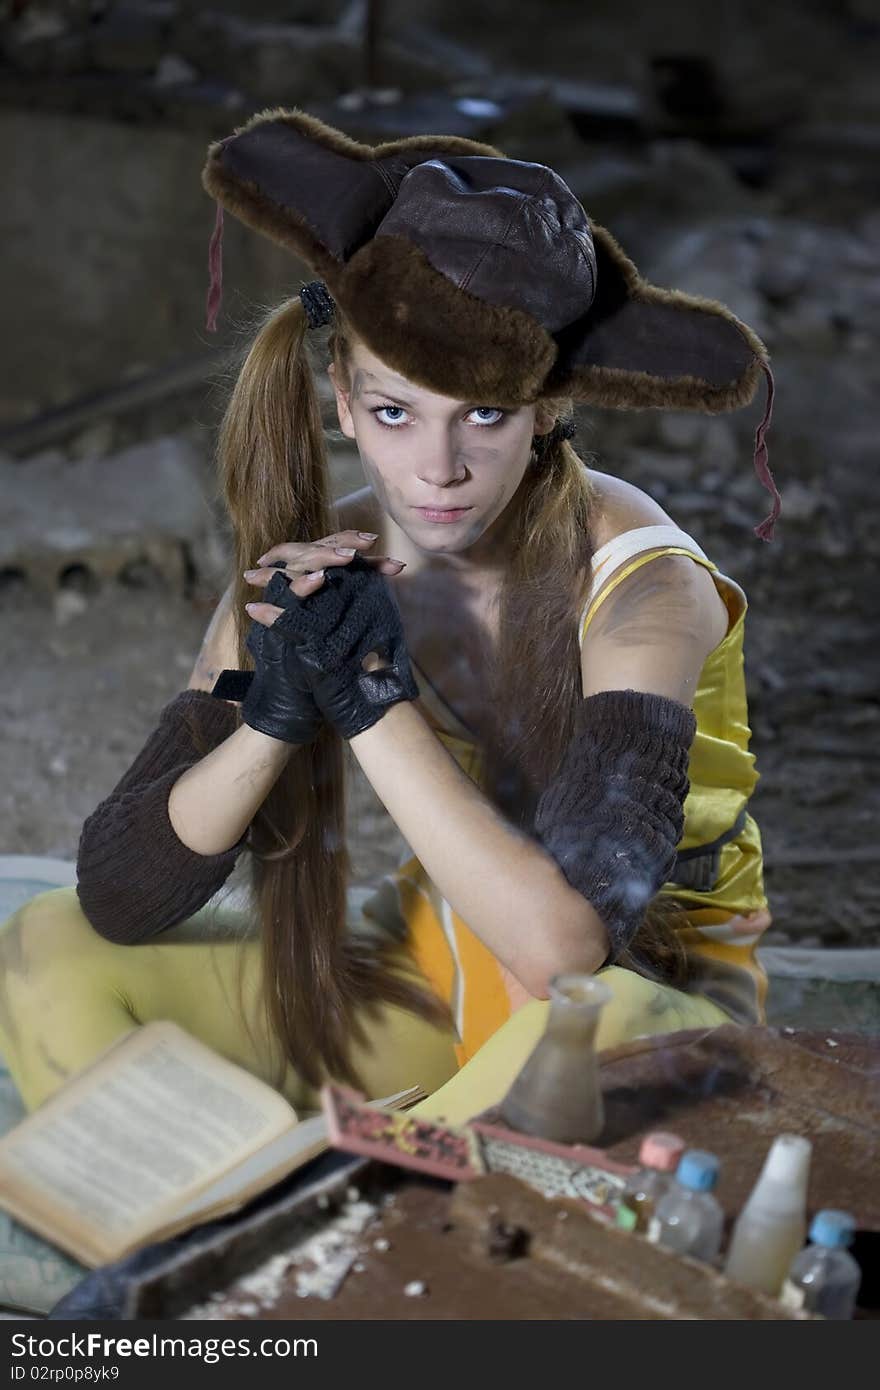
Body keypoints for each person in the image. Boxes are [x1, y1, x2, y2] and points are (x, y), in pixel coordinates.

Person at [0, 110, 779, 1126]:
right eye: (397, 411)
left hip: (634, 1013)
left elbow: (562, 955)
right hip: (433, 974)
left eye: (484, 416)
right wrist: (275, 714)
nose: (437, 468)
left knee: (595, 1033)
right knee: (47, 946)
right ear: (341, 398)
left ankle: (343, 1215)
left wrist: (369, 693)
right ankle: (275, 1224)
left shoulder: (640, 590)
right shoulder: (328, 566)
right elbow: (120, 892)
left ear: (545, 408)